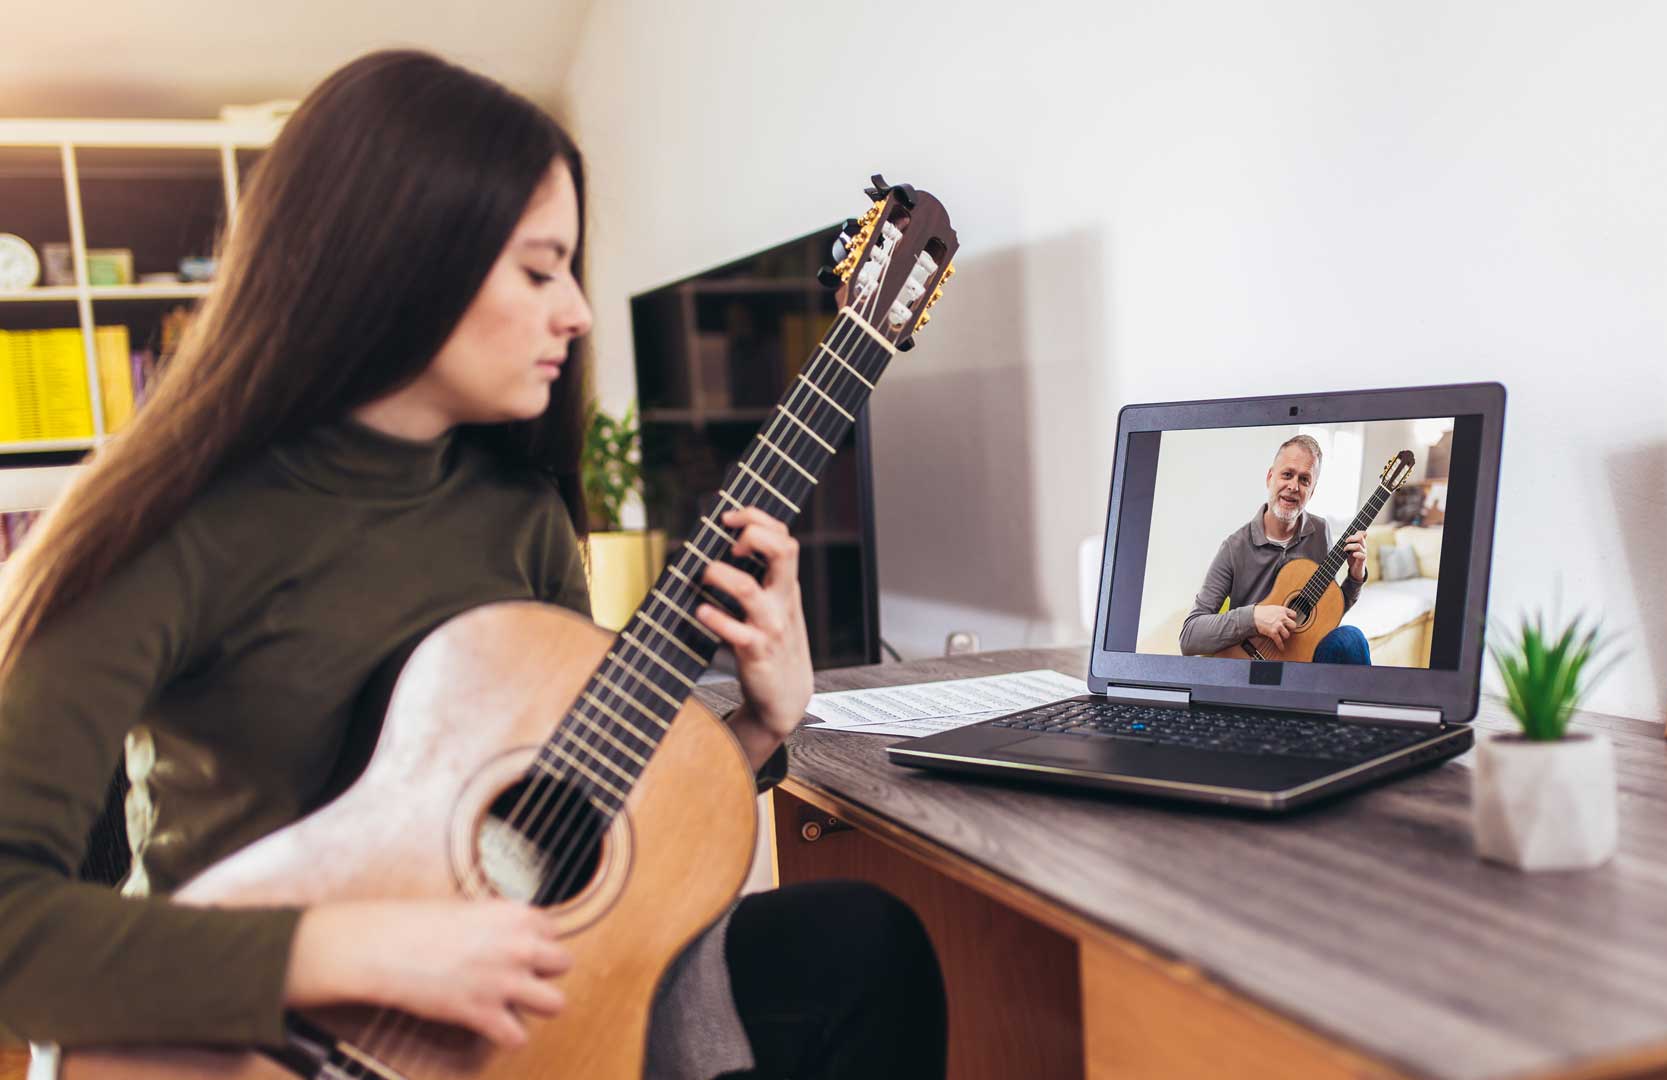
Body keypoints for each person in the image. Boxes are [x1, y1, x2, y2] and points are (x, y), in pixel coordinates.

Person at [0, 50, 944, 1080]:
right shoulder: (167, 525)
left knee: (863, 946)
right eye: (540, 270)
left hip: (504, 1008)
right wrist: (359, 950)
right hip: (257, 1039)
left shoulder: (520, 517)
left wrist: (762, 720)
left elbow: (561, 817)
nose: (577, 311)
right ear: (398, 258)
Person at [1178, 434, 1372, 663]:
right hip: (1251, 666)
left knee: (1351, 638)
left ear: (1313, 491)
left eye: (1304, 480)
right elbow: (1189, 636)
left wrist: (1355, 577)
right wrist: (1254, 618)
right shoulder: (1234, 547)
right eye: (1287, 475)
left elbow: (1326, 614)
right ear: (1270, 478)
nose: (1293, 486)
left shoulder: (1320, 532)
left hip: (1300, 663)